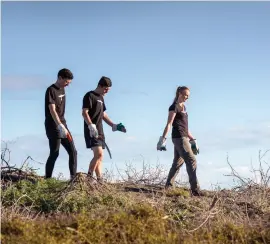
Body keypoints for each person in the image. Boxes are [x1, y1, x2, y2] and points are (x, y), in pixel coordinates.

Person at [157, 86, 201, 196]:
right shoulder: (174, 107)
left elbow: (185, 127)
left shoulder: (184, 107)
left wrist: (192, 139)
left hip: (184, 137)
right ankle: (195, 190)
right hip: (179, 138)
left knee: (178, 162)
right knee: (192, 160)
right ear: (179, 94)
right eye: (185, 95)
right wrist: (163, 139)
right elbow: (169, 124)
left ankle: (168, 186)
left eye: (188, 96)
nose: (187, 97)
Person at [82, 76, 126, 183]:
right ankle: (89, 178)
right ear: (100, 85)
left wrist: (114, 125)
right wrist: (90, 125)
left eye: (108, 90)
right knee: (99, 154)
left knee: (100, 157)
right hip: (91, 130)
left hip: (100, 130)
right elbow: (84, 112)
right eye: (106, 89)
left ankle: (100, 180)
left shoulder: (101, 98)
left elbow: (103, 114)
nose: (107, 91)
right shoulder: (90, 95)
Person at [44, 68, 77, 180]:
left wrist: (63, 125)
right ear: (60, 78)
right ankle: (47, 179)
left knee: (73, 151)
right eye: (66, 82)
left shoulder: (62, 89)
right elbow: (52, 109)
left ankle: (73, 179)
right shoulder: (51, 90)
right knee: (55, 153)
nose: (67, 84)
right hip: (53, 125)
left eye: (69, 83)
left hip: (63, 124)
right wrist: (59, 125)